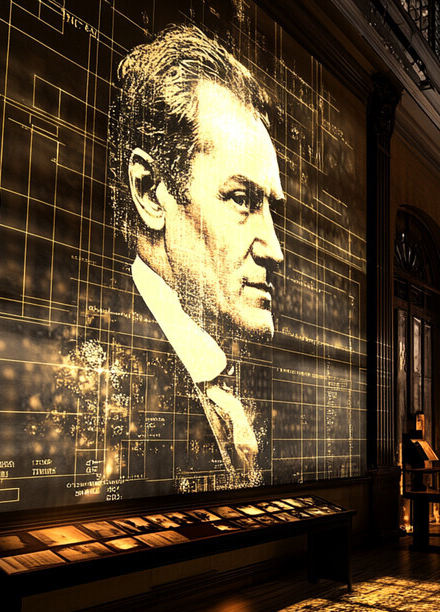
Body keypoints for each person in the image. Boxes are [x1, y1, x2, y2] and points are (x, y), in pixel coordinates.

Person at [106, 23, 284, 488]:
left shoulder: (232, 375)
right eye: (242, 199)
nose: (275, 250)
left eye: (271, 207)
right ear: (149, 191)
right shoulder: (94, 378)